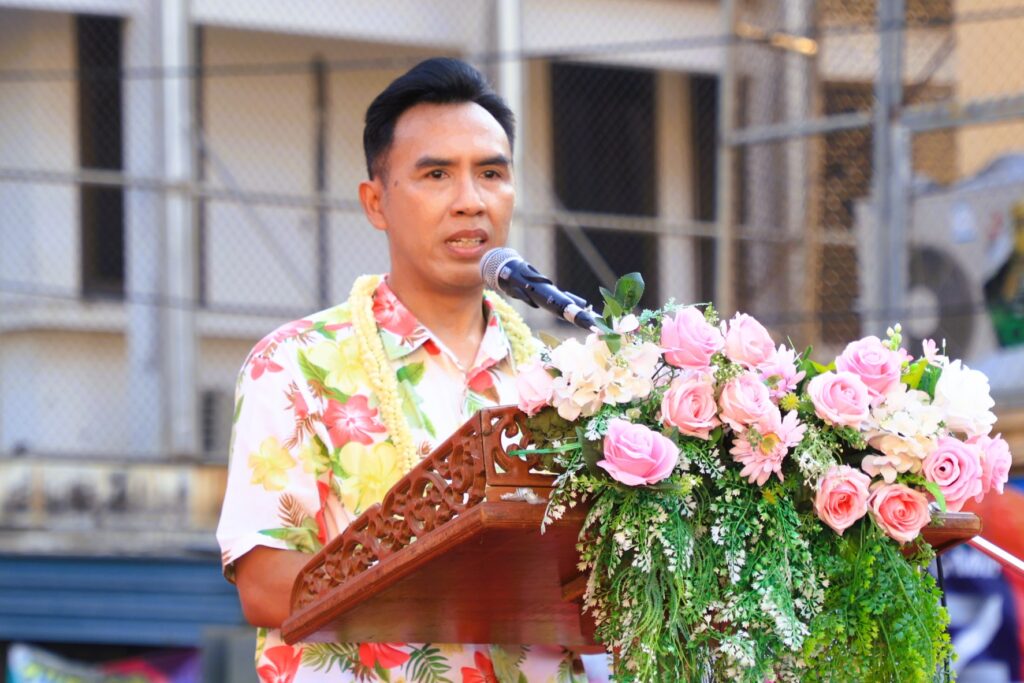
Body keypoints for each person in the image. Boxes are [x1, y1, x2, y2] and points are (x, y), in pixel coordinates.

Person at [216, 58, 591, 682]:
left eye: (491, 173)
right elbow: (265, 585)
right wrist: (474, 589)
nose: (470, 201)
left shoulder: (567, 381)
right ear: (376, 202)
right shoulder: (296, 363)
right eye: (436, 174)